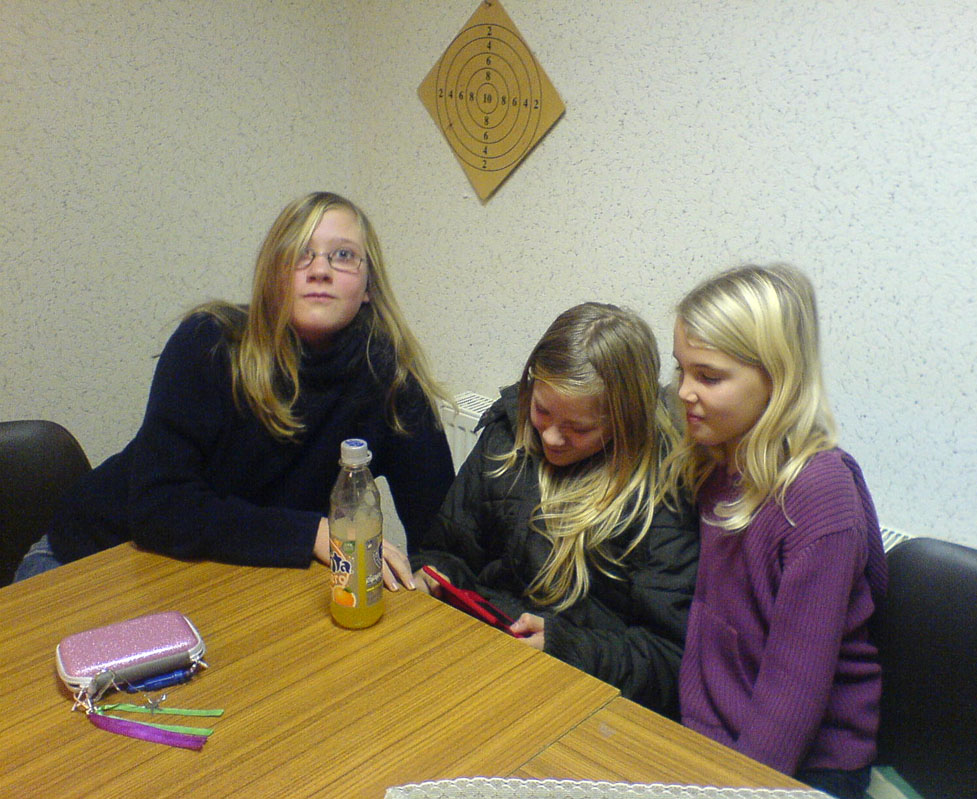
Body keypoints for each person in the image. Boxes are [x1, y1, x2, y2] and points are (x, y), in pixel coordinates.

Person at [16, 191, 454, 582]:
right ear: (273, 276)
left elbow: (443, 534)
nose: (320, 270)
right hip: (93, 558)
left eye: (343, 255)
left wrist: (432, 578)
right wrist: (313, 534)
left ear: (368, 286)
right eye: (300, 254)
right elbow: (159, 508)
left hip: (221, 577)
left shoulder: (393, 380)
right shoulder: (209, 342)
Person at [405, 302, 699, 718]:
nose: (552, 438)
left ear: (626, 421)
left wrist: (565, 647)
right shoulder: (508, 433)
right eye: (542, 410)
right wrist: (434, 576)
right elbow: (447, 550)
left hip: (583, 701)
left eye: (580, 428)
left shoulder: (665, 491)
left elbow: (669, 661)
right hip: (486, 662)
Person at [667, 264, 888, 799]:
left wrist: (735, 788)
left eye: (708, 377)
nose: (684, 392)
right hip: (714, 739)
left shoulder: (818, 494)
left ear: (778, 378)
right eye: (681, 370)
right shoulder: (718, 459)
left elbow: (791, 698)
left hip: (802, 766)